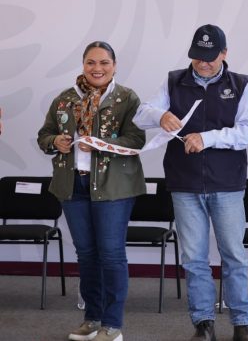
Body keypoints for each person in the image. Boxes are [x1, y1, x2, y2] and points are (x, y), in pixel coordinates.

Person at [133, 24, 248, 341]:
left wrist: (207, 138)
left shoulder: (240, 85)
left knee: (234, 255)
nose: (203, 63)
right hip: (184, 184)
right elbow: (141, 114)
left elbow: (246, 132)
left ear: (224, 54)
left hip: (227, 185)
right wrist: (160, 116)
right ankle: (203, 324)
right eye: (197, 57)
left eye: (210, 57)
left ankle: (243, 322)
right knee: (194, 259)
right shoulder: (174, 81)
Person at [37, 41, 146, 341]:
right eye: (91, 62)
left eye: (104, 63)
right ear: (83, 65)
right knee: (86, 255)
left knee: (110, 254)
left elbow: (136, 140)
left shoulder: (126, 98)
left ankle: (112, 325)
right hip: (73, 185)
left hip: (114, 188)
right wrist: (54, 142)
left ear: (114, 65)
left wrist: (101, 144)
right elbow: (44, 134)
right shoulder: (65, 99)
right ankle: (92, 319)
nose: (97, 68)